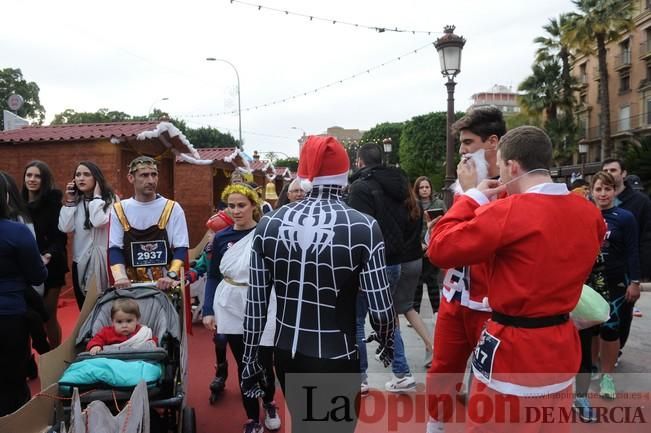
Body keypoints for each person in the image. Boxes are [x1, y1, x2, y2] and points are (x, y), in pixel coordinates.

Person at [428, 126, 606, 433]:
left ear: (512, 166)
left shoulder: (511, 211)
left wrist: (471, 197)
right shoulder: (589, 212)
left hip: (512, 348)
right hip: (562, 345)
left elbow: (440, 248)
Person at [241, 136, 395, 433]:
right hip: (337, 353)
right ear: (345, 173)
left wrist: (249, 359)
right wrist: (386, 339)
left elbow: (256, 306)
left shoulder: (269, 223)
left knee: (304, 423)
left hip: (285, 353)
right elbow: (381, 307)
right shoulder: (363, 226)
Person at [425, 107, 505, 432]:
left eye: (467, 143)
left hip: (492, 303)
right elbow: (446, 243)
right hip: (455, 296)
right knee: (443, 369)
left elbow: (481, 238)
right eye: (460, 144)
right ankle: (435, 426)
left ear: (493, 142)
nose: (461, 152)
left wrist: (470, 198)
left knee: (489, 380)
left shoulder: (512, 186)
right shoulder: (463, 185)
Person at [202, 184, 280, 433]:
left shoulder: (266, 234)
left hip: (263, 302)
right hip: (230, 303)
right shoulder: (222, 237)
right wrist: (208, 309)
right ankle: (252, 418)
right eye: (230, 206)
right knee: (244, 363)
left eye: (241, 205)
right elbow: (213, 276)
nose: (235, 211)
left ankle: (268, 402)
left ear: (253, 206)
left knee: (265, 362)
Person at [348, 143, 415, 393]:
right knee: (388, 318)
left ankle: (360, 378)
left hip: (369, 263)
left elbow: (357, 230)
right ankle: (402, 372)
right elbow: (412, 217)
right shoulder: (398, 184)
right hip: (395, 260)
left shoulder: (360, 188)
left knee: (356, 320)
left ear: (360, 162)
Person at [581, 172, 640, 405]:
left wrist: (635, 282)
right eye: (598, 189)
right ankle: (594, 365)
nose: (603, 194)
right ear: (591, 191)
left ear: (615, 191)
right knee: (591, 328)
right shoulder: (585, 215)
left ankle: (608, 377)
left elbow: (633, 251)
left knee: (610, 329)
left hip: (616, 281)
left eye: (608, 189)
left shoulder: (625, 217)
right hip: (589, 282)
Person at [0, 171, 48, 415]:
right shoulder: (16, 232)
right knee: (13, 383)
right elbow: (38, 276)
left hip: (12, 312)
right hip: (10, 316)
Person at [108, 156, 189, 291]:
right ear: (131, 178)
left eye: (154, 175)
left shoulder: (173, 208)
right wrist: (120, 277)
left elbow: (181, 247)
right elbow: (115, 248)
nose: (151, 180)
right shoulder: (119, 210)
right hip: (132, 287)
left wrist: (171, 276)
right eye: (144, 175)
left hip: (166, 286)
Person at [601, 158, 651, 362]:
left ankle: (616, 350)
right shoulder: (594, 203)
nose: (609, 173)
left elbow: (645, 239)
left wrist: (638, 277)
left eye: (613, 170)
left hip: (627, 269)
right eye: (605, 170)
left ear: (623, 173)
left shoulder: (640, 202)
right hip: (600, 272)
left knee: (623, 312)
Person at [22, 160, 68, 349]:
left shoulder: (54, 205)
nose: (32, 179)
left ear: (44, 179)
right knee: (25, 317)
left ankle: (55, 359)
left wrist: (48, 255)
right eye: (29, 175)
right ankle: (26, 362)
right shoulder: (17, 205)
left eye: (37, 176)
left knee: (48, 315)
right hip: (24, 268)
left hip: (51, 266)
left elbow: (60, 238)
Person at [59, 161, 115, 309]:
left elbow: (98, 221)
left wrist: (97, 198)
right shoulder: (76, 202)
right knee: (83, 309)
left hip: (102, 262)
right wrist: (70, 201)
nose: (81, 178)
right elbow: (65, 227)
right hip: (80, 262)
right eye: (78, 175)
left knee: (102, 310)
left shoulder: (110, 200)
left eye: (86, 174)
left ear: (96, 178)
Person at [412, 176, 446, 315]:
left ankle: (437, 311)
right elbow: (410, 226)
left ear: (431, 189)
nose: (425, 190)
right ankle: (416, 311)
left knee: (432, 280)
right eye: (421, 187)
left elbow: (446, 222)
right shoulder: (413, 205)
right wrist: (418, 243)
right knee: (418, 282)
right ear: (417, 189)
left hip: (434, 244)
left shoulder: (439, 203)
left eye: (427, 187)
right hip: (418, 246)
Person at [87, 298, 157, 355]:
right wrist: (95, 346)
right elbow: (96, 340)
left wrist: (152, 342)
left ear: (137, 320)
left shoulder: (142, 332)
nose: (124, 325)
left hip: (136, 359)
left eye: (129, 321)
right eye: (119, 322)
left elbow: (151, 340)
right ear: (113, 322)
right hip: (112, 359)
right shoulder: (106, 332)